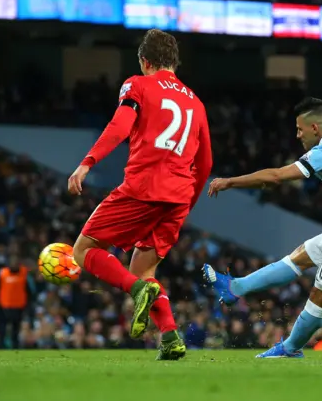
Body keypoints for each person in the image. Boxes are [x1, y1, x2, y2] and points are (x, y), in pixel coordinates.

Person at [204, 97, 322, 358]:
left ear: (315, 128)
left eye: (299, 129)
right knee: (301, 256)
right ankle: (235, 288)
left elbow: (275, 177)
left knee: (321, 293)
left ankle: (290, 348)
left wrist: (229, 182)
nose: (297, 135)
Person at [66, 29, 213, 360]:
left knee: (83, 250)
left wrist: (87, 163)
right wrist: (187, 203)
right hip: (178, 195)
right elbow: (205, 163)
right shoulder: (196, 103)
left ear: (145, 62)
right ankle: (171, 338)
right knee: (145, 271)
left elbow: (120, 125)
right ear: (173, 62)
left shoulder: (138, 84)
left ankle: (137, 291)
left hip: (144, 187)